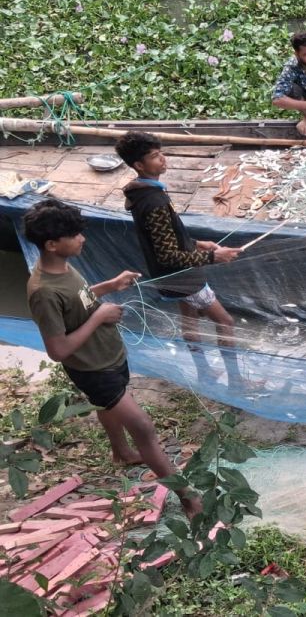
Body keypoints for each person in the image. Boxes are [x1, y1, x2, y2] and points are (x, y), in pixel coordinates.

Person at [23, 199, 200, 517]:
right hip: (93, 368)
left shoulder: (63, 266)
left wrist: (108, 287)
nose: (82, 239)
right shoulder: (43, 292)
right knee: (144, 427)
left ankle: (121, 452)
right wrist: (99, 317)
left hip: (109, 354)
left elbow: (79, 298)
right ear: (51, 244)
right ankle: (189, 500)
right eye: (75, 235)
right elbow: (58, 350)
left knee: (106, 405)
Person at [116, 132, 247, 389]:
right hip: (184, 278)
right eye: (155, 157)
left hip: (172, 277)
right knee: (225, 322)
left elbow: (165, 238)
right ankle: (237, 381)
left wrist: (197, 243)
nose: (163, 159)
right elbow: (167, 254)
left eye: (160, 153)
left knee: (190, 323)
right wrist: (213, 256)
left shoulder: (144, 193)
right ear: (139, 166)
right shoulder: (154, 201)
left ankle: (206, 373)